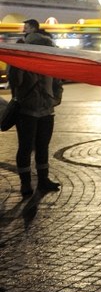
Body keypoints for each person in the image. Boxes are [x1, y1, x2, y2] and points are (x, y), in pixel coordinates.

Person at [9, 27, 63, 197]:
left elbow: (57, 83)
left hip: (47, 111)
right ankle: (25, 183)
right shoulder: (21, 62)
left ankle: (43, 180)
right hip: (27, 111)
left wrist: (55, 99)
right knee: (25, 147)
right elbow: (15, 83)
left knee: (43, 146)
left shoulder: (49, 63)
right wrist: (19, 63)